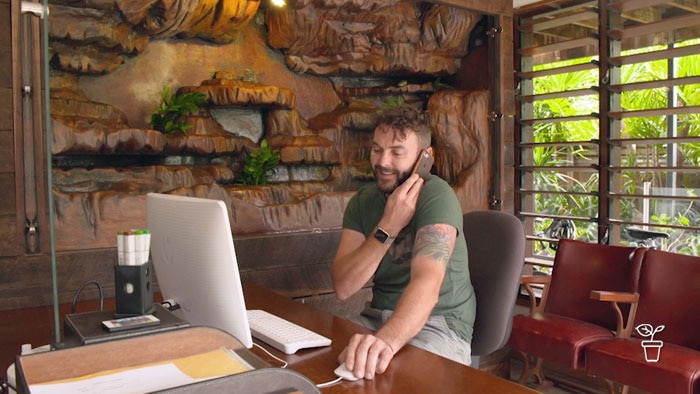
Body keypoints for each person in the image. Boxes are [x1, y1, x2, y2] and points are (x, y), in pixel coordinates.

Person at [331, 104, 476, 380]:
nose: (383, 162)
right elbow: (343, 286)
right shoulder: (363, 202)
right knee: (325, 362)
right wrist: (388, 226)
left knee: (388, 380)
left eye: (397, 152)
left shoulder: (437, 195)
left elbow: (428, 284)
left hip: (439, 325)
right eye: (377, 150)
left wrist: (385, 342)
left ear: (425, 157)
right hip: (376, 318)